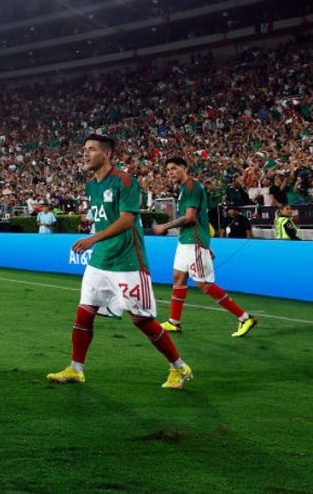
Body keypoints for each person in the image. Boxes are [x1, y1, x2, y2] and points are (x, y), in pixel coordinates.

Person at [47, 134, 193, 389]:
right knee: (84, 313)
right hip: (101, 260)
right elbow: (104, 217)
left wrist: (93, 239)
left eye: (91, 149)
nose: (85, 153)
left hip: (128, 262)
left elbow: (127, 220)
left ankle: (179, 368)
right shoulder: (91, 186)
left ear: (107, 154)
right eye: (84, 149)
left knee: (142, 320)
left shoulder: (125, 181)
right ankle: (76, 369)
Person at [152, 157, 257, 337]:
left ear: (185, 168)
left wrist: (164, 226)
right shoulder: (184, 188)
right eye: (168, 170)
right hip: (186, 241)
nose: (170, 173)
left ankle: (244, 317)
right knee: (178, 278)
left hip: (194, 242)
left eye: (174, 168)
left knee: (203, 283)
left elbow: (190, 217)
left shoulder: (192, 187)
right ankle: (174, 322)